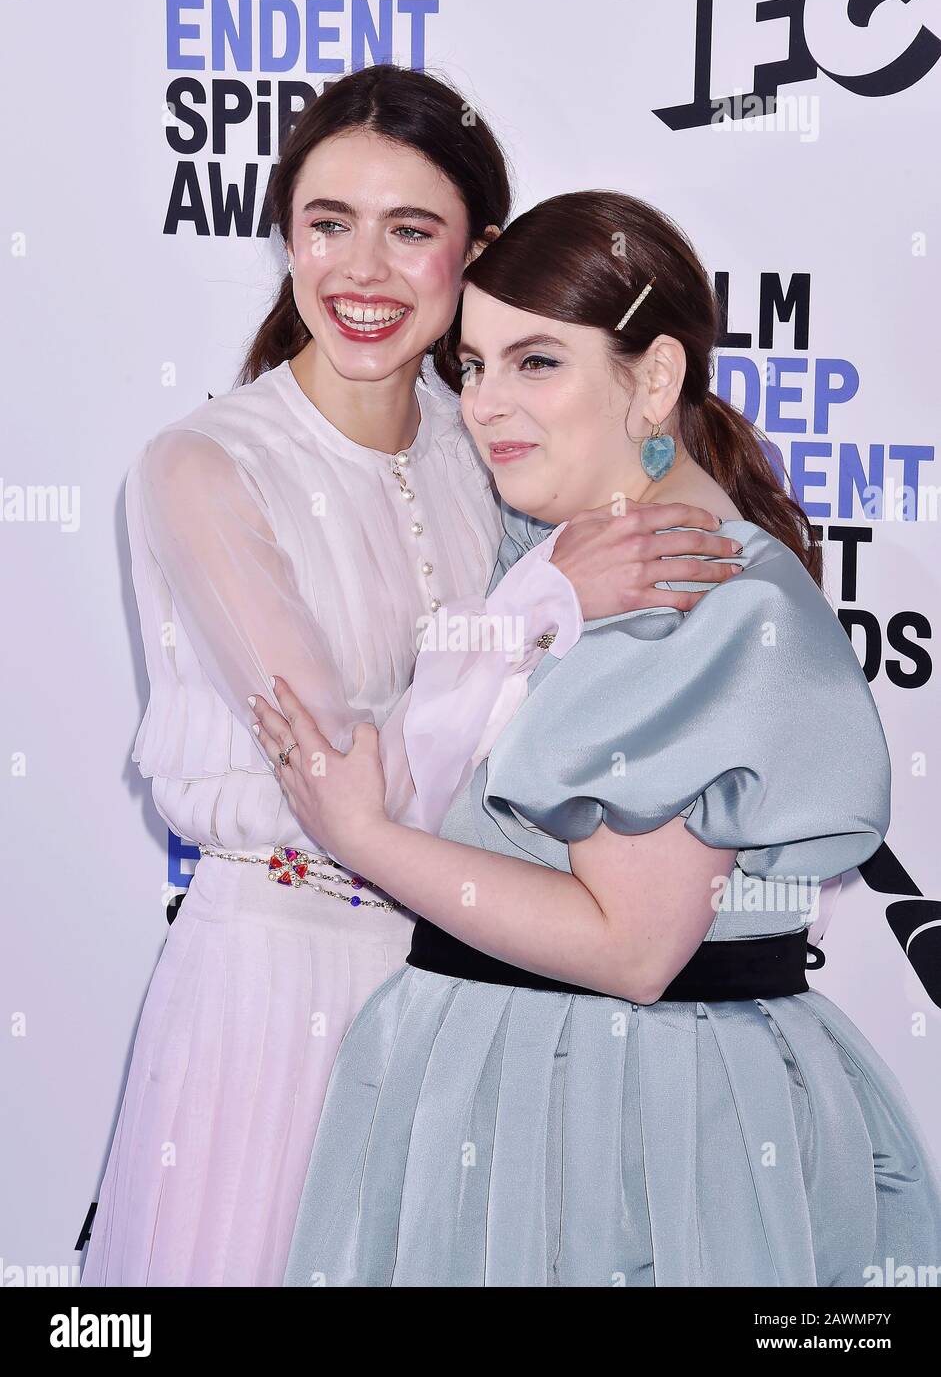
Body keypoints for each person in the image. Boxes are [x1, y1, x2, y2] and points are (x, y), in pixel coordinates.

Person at [80, 71, 738, 1288]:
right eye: (328, 223)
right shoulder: (200, 470)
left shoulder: (484, 438)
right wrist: (544, 602)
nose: (361, 271)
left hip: (471, 991)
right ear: (285, 237)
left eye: (410, 230)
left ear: (476, 254)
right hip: (274, 986)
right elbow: (349, 783)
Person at [261, 190, 941, 1288]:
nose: (485, 405)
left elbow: (631, 949)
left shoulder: (675, 589)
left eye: (535, 362)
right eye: (473, 365)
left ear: (655, 379)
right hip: (550, 1088)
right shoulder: (576, 548)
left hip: (598, 1121)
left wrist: (356, 833)